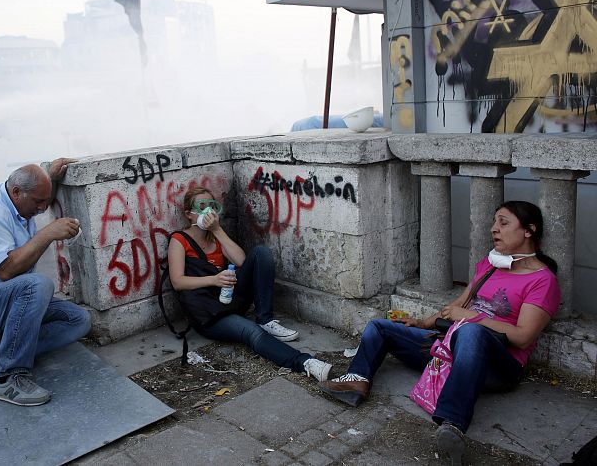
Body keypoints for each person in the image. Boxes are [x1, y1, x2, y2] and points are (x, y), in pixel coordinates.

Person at [319, 201, 561, 465]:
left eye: (503, 223)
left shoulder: (542, 280)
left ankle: (452, 424)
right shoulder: (489, 266)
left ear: (529, 230)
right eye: (494, 222)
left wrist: (472, 318)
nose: (494, 229)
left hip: (499, 367)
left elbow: (523, 336)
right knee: (381, 327)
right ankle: (357, 379)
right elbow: (457, 306)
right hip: (452, 347)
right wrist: (423, 323)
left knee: (471, 332)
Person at [0, 159, 90, 406]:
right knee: (38, 284)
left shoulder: (19, 201)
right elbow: (6, 270)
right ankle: (6, 377)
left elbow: (36, 199)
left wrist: (52, 178)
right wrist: (47, 233)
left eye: (45, 201)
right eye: (38, 202)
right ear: (16, 192)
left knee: (79, 320)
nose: (42, 208)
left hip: (7, 298)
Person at [167, 186, 333, 382]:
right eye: (201, 207)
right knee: (251, 332)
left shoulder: (216, 236)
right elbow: (178, 282)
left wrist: (217, 230)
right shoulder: (179, 240)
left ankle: (265, 318)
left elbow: (241, 261)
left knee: (261, 254)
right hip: (208, 312)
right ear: (189, 214)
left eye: (211, 206)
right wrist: (213, 279)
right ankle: (305, 363)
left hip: (228, 298)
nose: (207, 212)